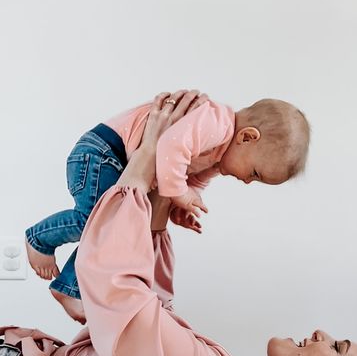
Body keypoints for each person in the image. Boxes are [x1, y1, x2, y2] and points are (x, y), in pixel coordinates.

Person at [1, 94, 357, 356]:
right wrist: (161, 208)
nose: (322, 332)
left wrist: (142, 164)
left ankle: (41, 238)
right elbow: (152, 311)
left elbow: (121, 300)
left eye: (338, 347)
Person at [24, 90, 310, 324]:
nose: (248, 182)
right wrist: (180, 192)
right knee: (97, 220)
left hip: (119, 162)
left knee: (111, 227)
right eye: (255, 174)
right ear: (247, 137)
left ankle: (69, 287)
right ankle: (40, 239)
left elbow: (191, 179)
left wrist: (181, 206)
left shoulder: (218, 156)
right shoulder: (214, 122)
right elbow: (171, 148)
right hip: (102, 152)